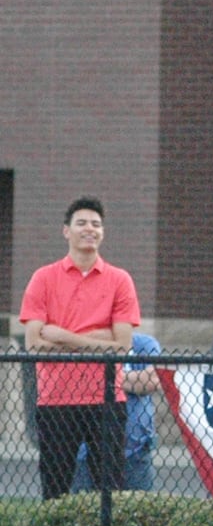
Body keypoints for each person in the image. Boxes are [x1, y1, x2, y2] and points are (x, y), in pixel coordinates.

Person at [19, 197, 143, 498]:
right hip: (55, 397)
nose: (90, 229)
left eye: (96, 224)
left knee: (110, 491)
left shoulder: (120, 280)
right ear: (66, 231)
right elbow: (34, 344)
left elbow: (122, 346)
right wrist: (100, 339)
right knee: (55, 488)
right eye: (82, 223)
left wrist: (64, 336)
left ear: (103, 232)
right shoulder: (43, 278)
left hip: (106, 396)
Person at [73, 332, 162, 492]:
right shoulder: (85, 342)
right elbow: (74, 378)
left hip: (135, 452)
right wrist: (130, 380)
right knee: (85, 511)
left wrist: (99, 376)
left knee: (138, 512)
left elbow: (151, 381)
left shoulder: (143, 344)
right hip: (86, 453)